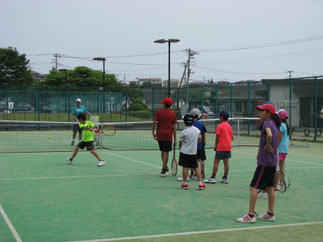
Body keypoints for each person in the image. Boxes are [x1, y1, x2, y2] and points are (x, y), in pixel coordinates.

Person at [237, 103, 281, 223]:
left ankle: (250, 216)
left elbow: (269, 135)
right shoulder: (275, 125)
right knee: (270, 187)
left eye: (262, 111)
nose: (259, 113)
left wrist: (267, 144)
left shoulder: (267, 123)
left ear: (268, 113)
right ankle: (270, 213)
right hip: (272, 162)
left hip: (265, 162)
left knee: (253, 187)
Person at [205, 110, 233, 184]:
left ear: (222, 117)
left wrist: (215, 146)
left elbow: (217, 138)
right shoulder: (229, 126)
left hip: (221, 147)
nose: (218, 118)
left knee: (216, 161)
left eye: (219, 116)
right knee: (226, 162)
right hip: (228, 147)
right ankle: (225, 178)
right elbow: (232, 138)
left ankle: (213, 177)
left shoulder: (219, 126)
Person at [179, 114, 206, 190]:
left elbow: (180, 142)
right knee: (196, 167)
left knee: (185, 167)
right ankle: (200, 184)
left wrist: (180, 147)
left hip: (184, 152)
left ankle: (185, 184)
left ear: (184, 122)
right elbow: (200, 140)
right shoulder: (197, 131)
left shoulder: (184, 132)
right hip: (193, 152)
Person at [152, 97, 177, 177]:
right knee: (165, 152)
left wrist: (153, 132)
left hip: (160, 135)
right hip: (167, 135)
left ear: (164, 104)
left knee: (163, 151)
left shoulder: (159, 112)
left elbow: (154, 122)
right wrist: (175, 138)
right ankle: (164, 169)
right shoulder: (173, 114)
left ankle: (164, 168)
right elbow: (174, 127)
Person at [277, 109, 289, 181]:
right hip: (284, 149)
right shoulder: (286, 125)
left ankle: (281, 184)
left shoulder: (282, 125)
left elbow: (279, 138)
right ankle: (280, 183)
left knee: (279, 167)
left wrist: (275, 146)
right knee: (280, 167)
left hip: (281, 149)